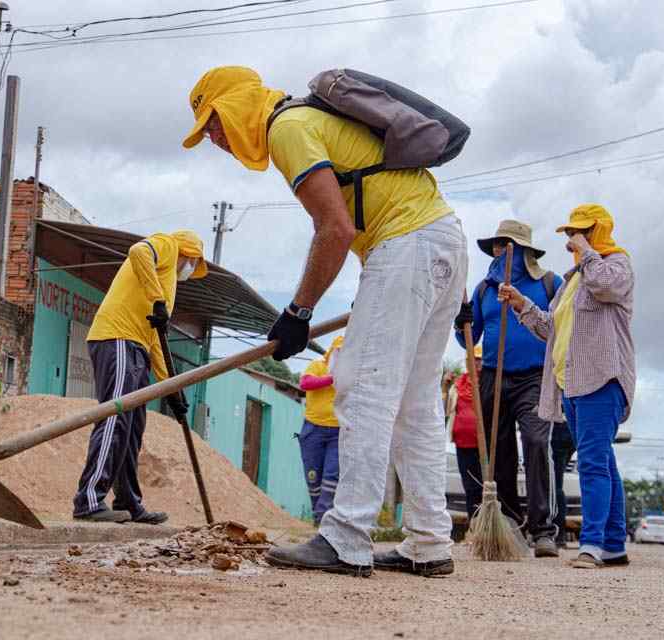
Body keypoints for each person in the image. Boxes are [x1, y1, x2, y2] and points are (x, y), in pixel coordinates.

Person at [184, 66, 467, 577]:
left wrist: (297, 312)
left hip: (406, 245)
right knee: (413, 404)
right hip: (442, 241)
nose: (216, 140)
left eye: (214, 124)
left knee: (361, 389)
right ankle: (429, 543)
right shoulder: (306, 120)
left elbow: (335, 229)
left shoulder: (288, 128)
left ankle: (345, 537)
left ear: (236, 105)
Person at [498, 203, 634, 569]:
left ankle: (591, 546)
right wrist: (521, 303)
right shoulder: (573, 281)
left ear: (599, 230)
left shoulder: (616, 266)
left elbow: (604, 285)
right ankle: (614, 543)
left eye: (582, 232)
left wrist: (588, 251)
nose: (574, 240)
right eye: (572, 234)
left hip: (601, 379)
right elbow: (549, 328)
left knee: (592, 464)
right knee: (603, 461)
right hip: (569, 384)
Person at [72, 230, 208, 524]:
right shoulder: (168, 245)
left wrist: (173, 388)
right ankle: (89, 500)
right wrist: (156, 298)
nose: (190, 269)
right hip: (117, 337)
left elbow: (156, 338)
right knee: (114, 417)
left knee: (132, 428)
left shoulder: (169, 283)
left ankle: (128, 502)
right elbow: (138, 251)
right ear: (189, 253)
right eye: (193, 262)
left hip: (138, 345)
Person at [454, 219, 564, 558]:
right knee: (499, 452)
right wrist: (462, 324)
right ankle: (510, 525)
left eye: (506, 246)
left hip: (534, 377)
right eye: (497, 247)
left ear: (525, 251)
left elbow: (559, 328)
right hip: (494, 376)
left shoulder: (548, 284)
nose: (500, 253)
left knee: (535, 441)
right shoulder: (485, 289)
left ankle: (543, 528)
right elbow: (467, 338)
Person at [298, 336, 344, 526]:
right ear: (332, 351)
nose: (342, 356)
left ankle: (324, 516)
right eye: (339, 351)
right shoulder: (318, 365)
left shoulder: (353, 373)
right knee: (313, 475)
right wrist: (332, 379)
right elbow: (305, 383)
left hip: (338, 431)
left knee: (332, 475)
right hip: (313, 429)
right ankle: (318, 514)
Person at [446, 345, 484, 524]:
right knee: (471, 488)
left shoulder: (488, 384)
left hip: (485, 446)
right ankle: (474, 526)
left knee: (487, 487)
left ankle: (487, 525)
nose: (476, 363)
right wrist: (445, 386)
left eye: (479, 360)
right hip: (463, 445)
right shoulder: (457, 385)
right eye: (473, 360)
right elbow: (445, 410)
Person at [551, 421, 576, 547]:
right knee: (555, 484)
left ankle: (558, 534)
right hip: (569, 426)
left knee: (554, 486)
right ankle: (559, 534)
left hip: (557, 425)